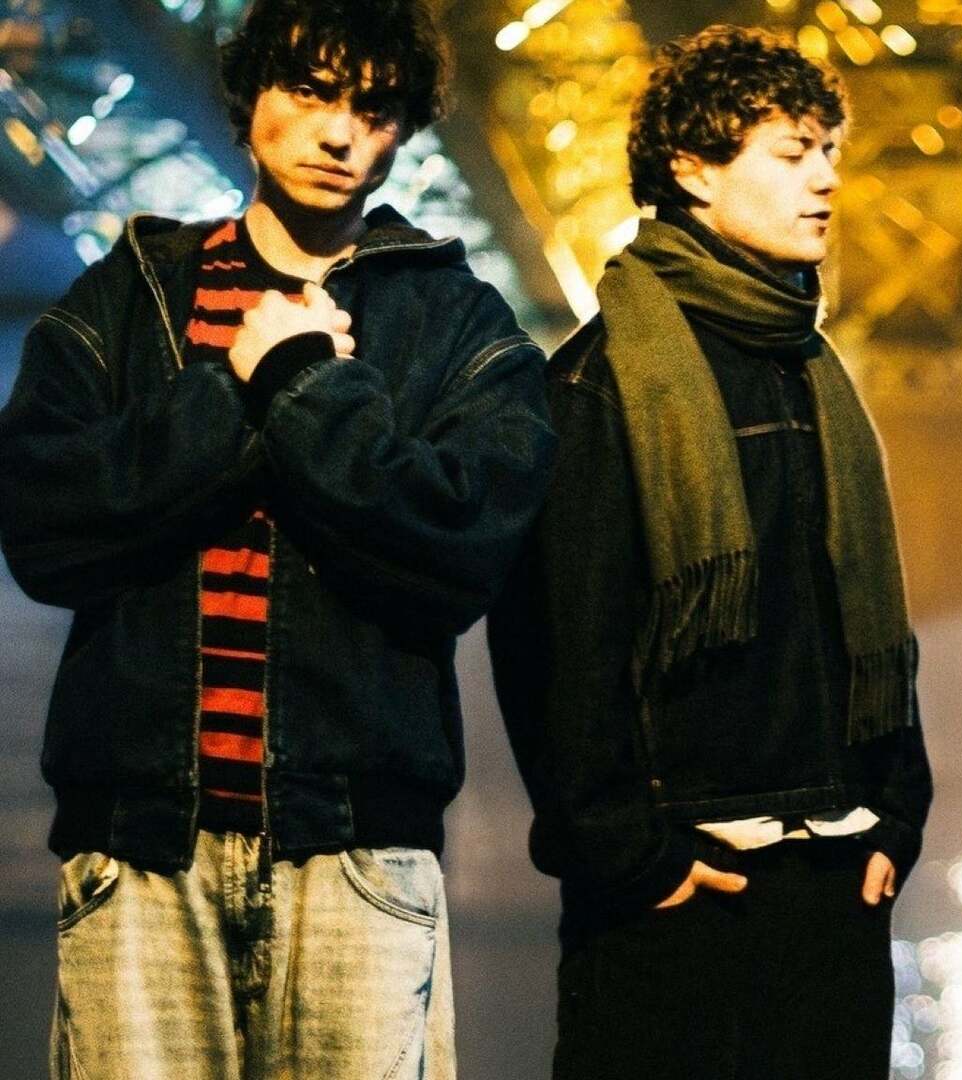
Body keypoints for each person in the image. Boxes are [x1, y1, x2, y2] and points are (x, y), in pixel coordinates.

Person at [0, 1, 554, 1076]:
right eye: (309, 90)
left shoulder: (460, 326)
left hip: (356, 855)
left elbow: (461, 555)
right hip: (140, 850)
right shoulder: (127, 302)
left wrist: (304, 386)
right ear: (249, 95)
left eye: (375, 108)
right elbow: (42, 531)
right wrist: (228, 395)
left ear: (402, 133)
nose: (340, 132)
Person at [486, 24, 932, 1080]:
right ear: (692, 169)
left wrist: (896, 817)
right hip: (680, 895)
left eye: (829, 151)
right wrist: (632, 859)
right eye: (792, 153)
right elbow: (555, 646)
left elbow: (865, 625)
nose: (826, 179)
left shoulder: (809, 368)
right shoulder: (600, 384)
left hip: (832, 886)